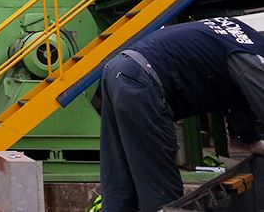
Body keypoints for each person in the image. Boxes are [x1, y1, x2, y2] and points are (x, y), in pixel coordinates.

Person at [100, 16, 264, 212]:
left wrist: (253, 140)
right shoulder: (252, 57)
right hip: (142, 82)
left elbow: (234, 101)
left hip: (118, 69)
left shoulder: (235, 36)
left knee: (119, 179)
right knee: (161, 189)